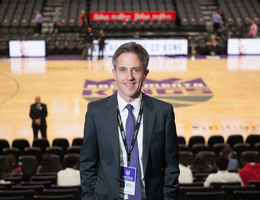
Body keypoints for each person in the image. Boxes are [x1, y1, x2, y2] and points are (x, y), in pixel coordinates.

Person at [80, 42, 179, 200]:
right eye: (123, 70)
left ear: (145, 73)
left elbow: (171, 166)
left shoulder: (163, 112)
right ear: (114, 73)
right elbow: (87, 163)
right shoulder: (95, 111)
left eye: (136, 70)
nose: (129, 77)